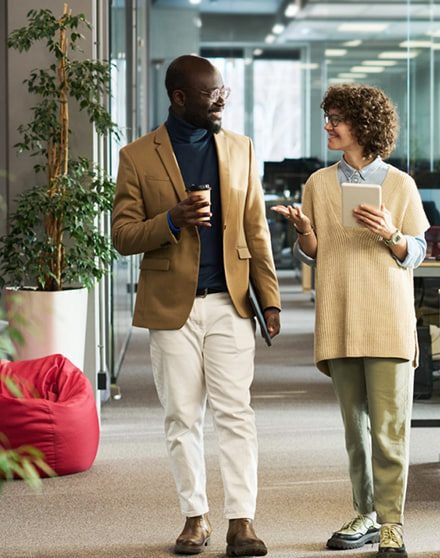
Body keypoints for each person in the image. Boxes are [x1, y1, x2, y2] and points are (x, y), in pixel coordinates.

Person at [111, 55, 280, 557]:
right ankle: (195, 517)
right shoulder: (138, 156)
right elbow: (122, 235)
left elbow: (257, 230)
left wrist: (268, 299)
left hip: (230, 303)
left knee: (236, 414)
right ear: (180, 98)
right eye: (212, 94)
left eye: (223, 91)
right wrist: (172, 219)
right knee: (182, 416)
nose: (221, 100)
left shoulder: (242, 148)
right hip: (171, 309)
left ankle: (242, 521)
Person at [272, 84, 429, 558]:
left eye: (336, 118)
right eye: (327, 117)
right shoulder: (318, 184)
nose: (328, 126)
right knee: (354, 428)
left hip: (386, 318)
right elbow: (318, 256)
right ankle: (364, 511)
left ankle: (392, 523)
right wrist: (304, 233)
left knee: (389, 428)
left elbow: (417, 252)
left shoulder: (399, 185)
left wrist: (391, 233)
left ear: (362, 126)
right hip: (340, 314)